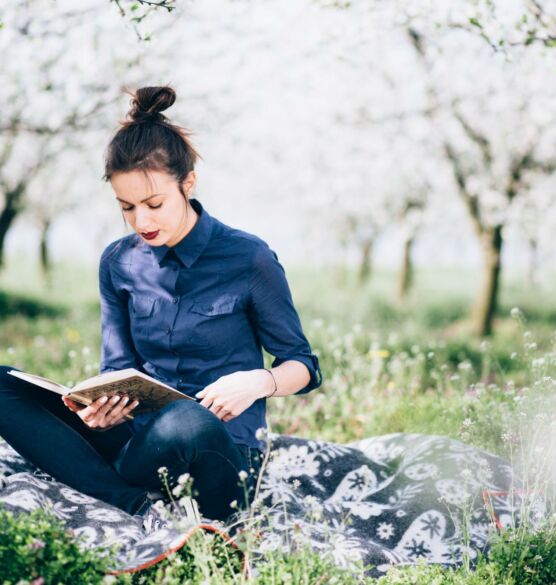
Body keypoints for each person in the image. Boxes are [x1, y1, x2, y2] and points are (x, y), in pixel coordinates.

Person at [0, 85, 322, 526]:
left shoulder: (249, 258)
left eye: (154, 204)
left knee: (190, 420)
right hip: (138, 442)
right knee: (4, 384)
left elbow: (302, 365)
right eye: (127, 207)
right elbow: (117, 366)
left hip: (220, 447)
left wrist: (257, 382)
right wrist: (101, 408)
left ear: (187, 183)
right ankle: (132, 505)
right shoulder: (118, 262)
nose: (142, 222)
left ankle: (110, 484)